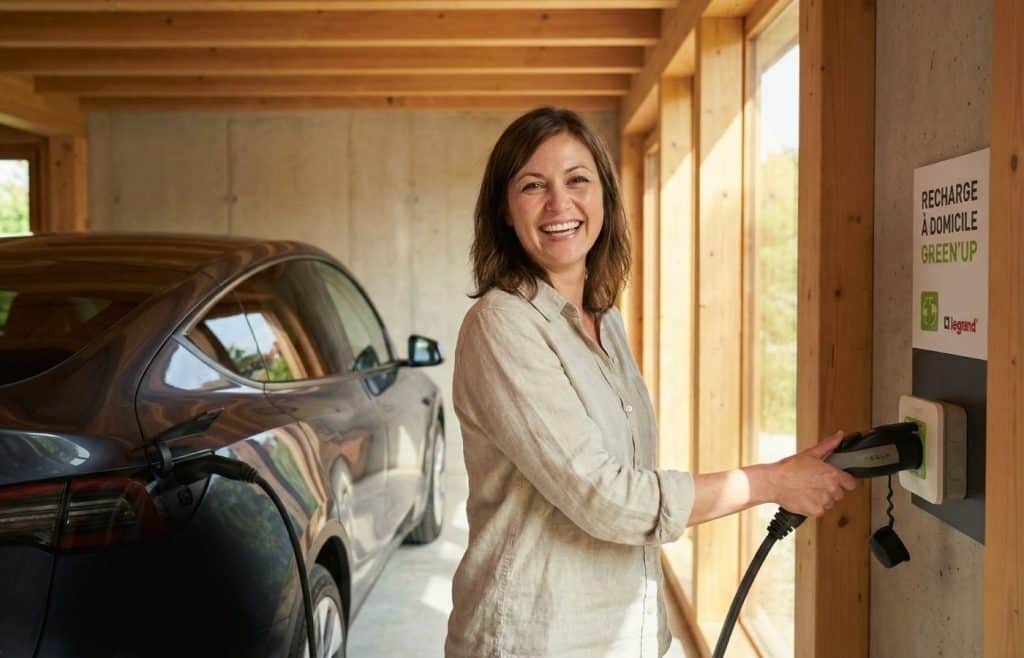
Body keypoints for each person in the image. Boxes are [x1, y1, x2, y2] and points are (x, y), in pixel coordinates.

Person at [444, 107, 856, 658]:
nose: (559, 204)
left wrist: (785, 476)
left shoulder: (604, 319)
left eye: (577, 180)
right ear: (504, 209)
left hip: (623, 635)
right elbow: (605, 497)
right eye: (533, 185)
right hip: (537, 641)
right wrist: (770, 483)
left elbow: (628, 475)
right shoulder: (503, 324)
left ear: (605, 197)